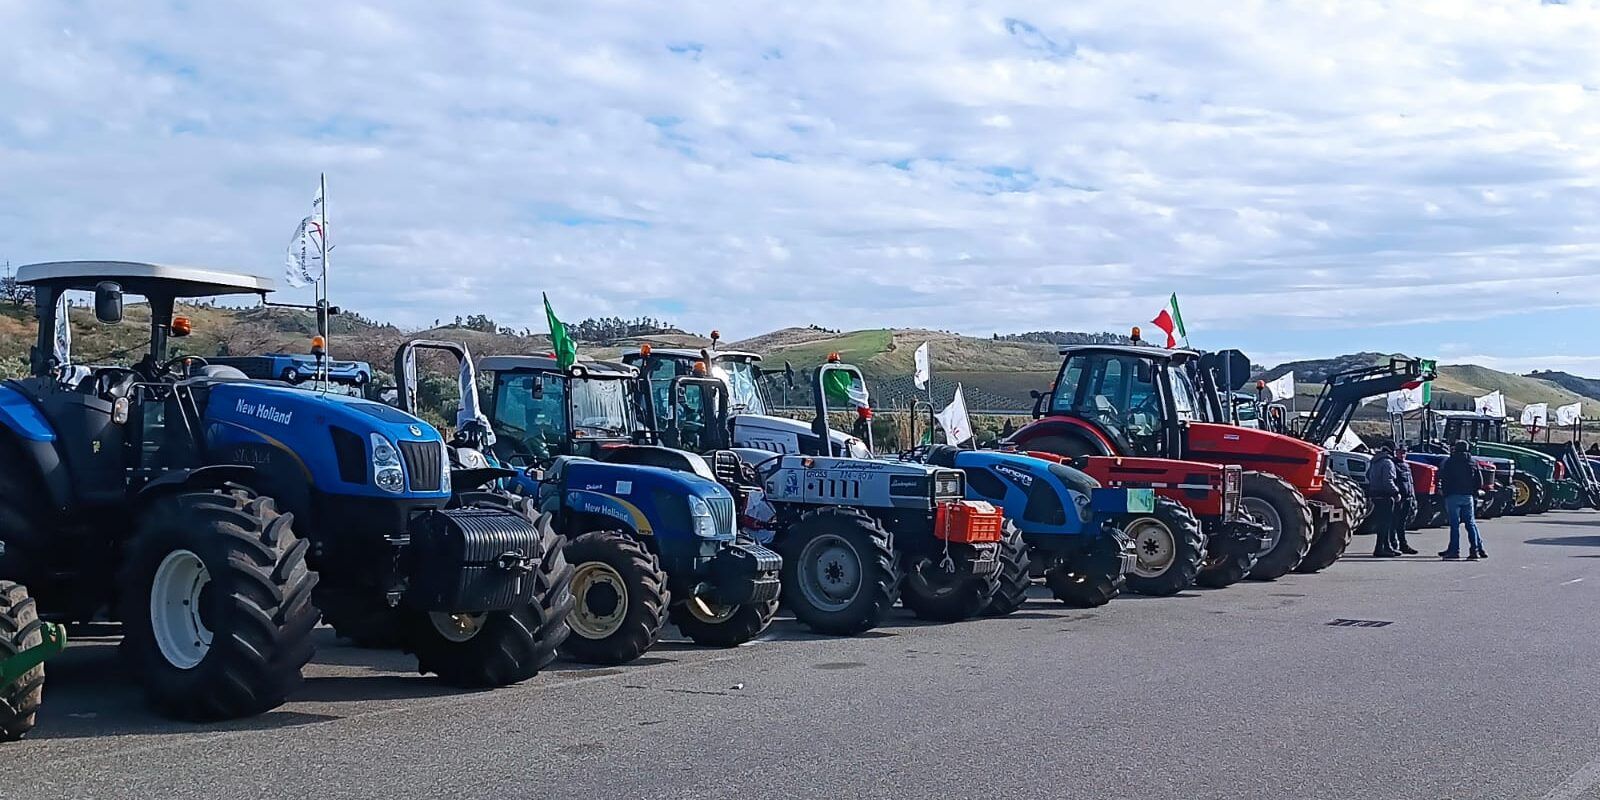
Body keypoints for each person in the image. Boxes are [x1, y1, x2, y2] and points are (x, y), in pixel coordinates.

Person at [1438, 439, 1487, 560]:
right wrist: (1473, 492)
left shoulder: (1450, 461)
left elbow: (1443, 478)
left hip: (1453, 495)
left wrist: (1445, 492)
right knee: (1470, 523)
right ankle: (1474, 550)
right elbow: (1479, 481)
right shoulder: (1472, 462)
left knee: (1454, 525)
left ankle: (1454, 550)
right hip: (1468, 496)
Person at [1367, 444, 1401, 557]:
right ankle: (1381, 548)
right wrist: (1395, 492)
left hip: (1374, 494)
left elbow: (1368, 475)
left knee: (1381, 523)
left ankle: (1386, 547)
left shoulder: (1374, 461)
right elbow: (1388, 481)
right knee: (1385, 523)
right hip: (1385, 495)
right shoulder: (1388, 462)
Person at [1391, 445, 1419, 555]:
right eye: (1400, 452)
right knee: (1394, 522)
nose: (1402, 455)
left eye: (1404, 452)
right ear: (1396, 453)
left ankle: (1403, 544)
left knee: (1402, 523)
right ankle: (1394, 544)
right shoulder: (1393, 464)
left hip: (1408, 498)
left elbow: (1410, 482)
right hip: (1399, 499)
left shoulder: (1407, 465)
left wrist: (1413, 497)